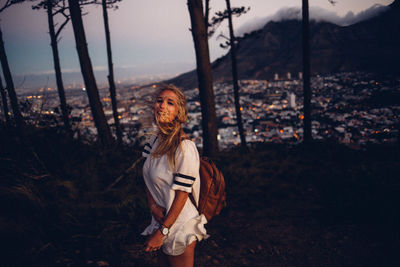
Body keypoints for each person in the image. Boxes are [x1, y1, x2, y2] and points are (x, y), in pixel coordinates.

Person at [141, 85, 208, 267]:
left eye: (170, 103)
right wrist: (153, 206)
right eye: (159, 101)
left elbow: (182, 194)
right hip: (161, 220)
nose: (162, 106)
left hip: (179, 226)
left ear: (180, 112)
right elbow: (147, 176)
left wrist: (161, 233)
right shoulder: (153, 141)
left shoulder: (184, 148)